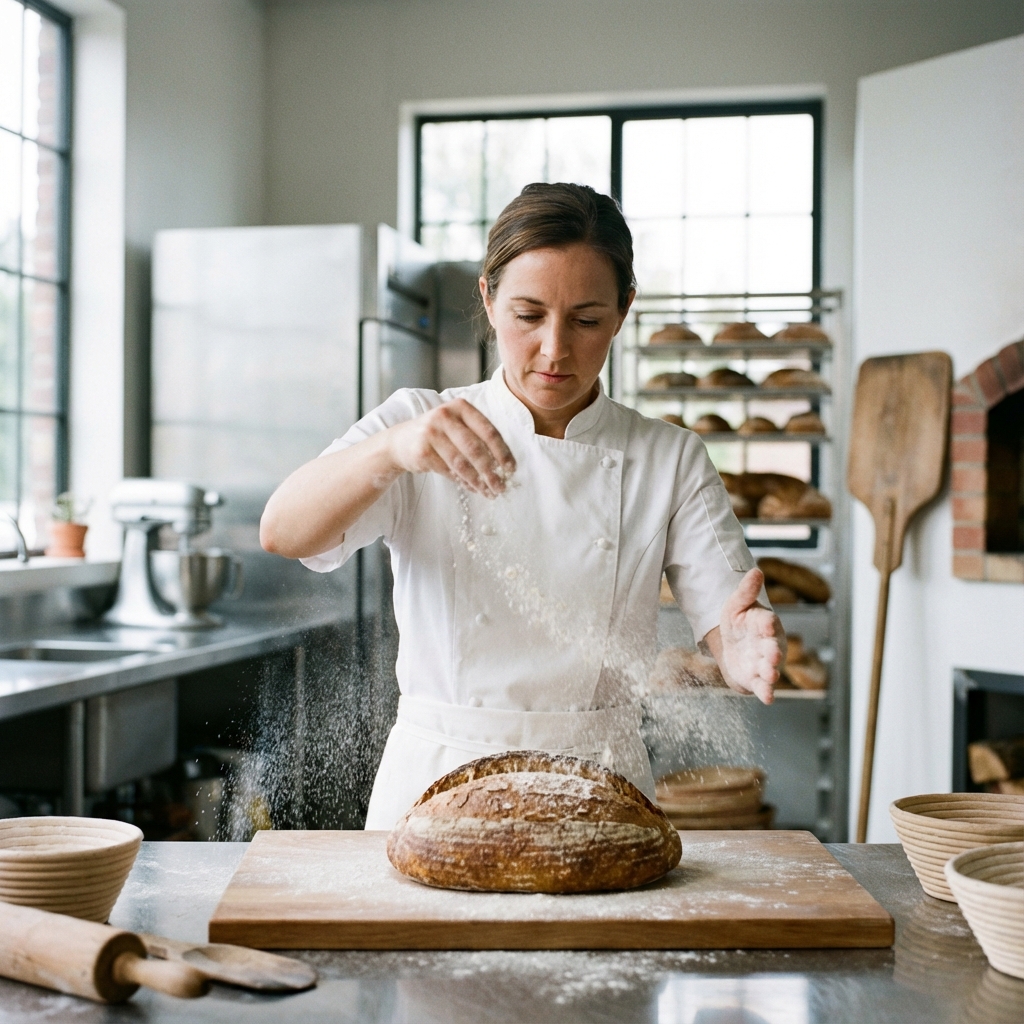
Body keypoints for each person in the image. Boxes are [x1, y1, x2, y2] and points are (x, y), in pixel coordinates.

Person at [260, 183, 785, 829]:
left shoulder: (667, 456)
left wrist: (737, 648)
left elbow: (725, 610)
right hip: (438, 781)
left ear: (623, 311)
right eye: (528, 315)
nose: (555, 349)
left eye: (587, 319)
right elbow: (283, 531)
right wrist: (390, 450)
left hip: (602, 785)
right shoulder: (419, 422)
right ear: (488, 297)